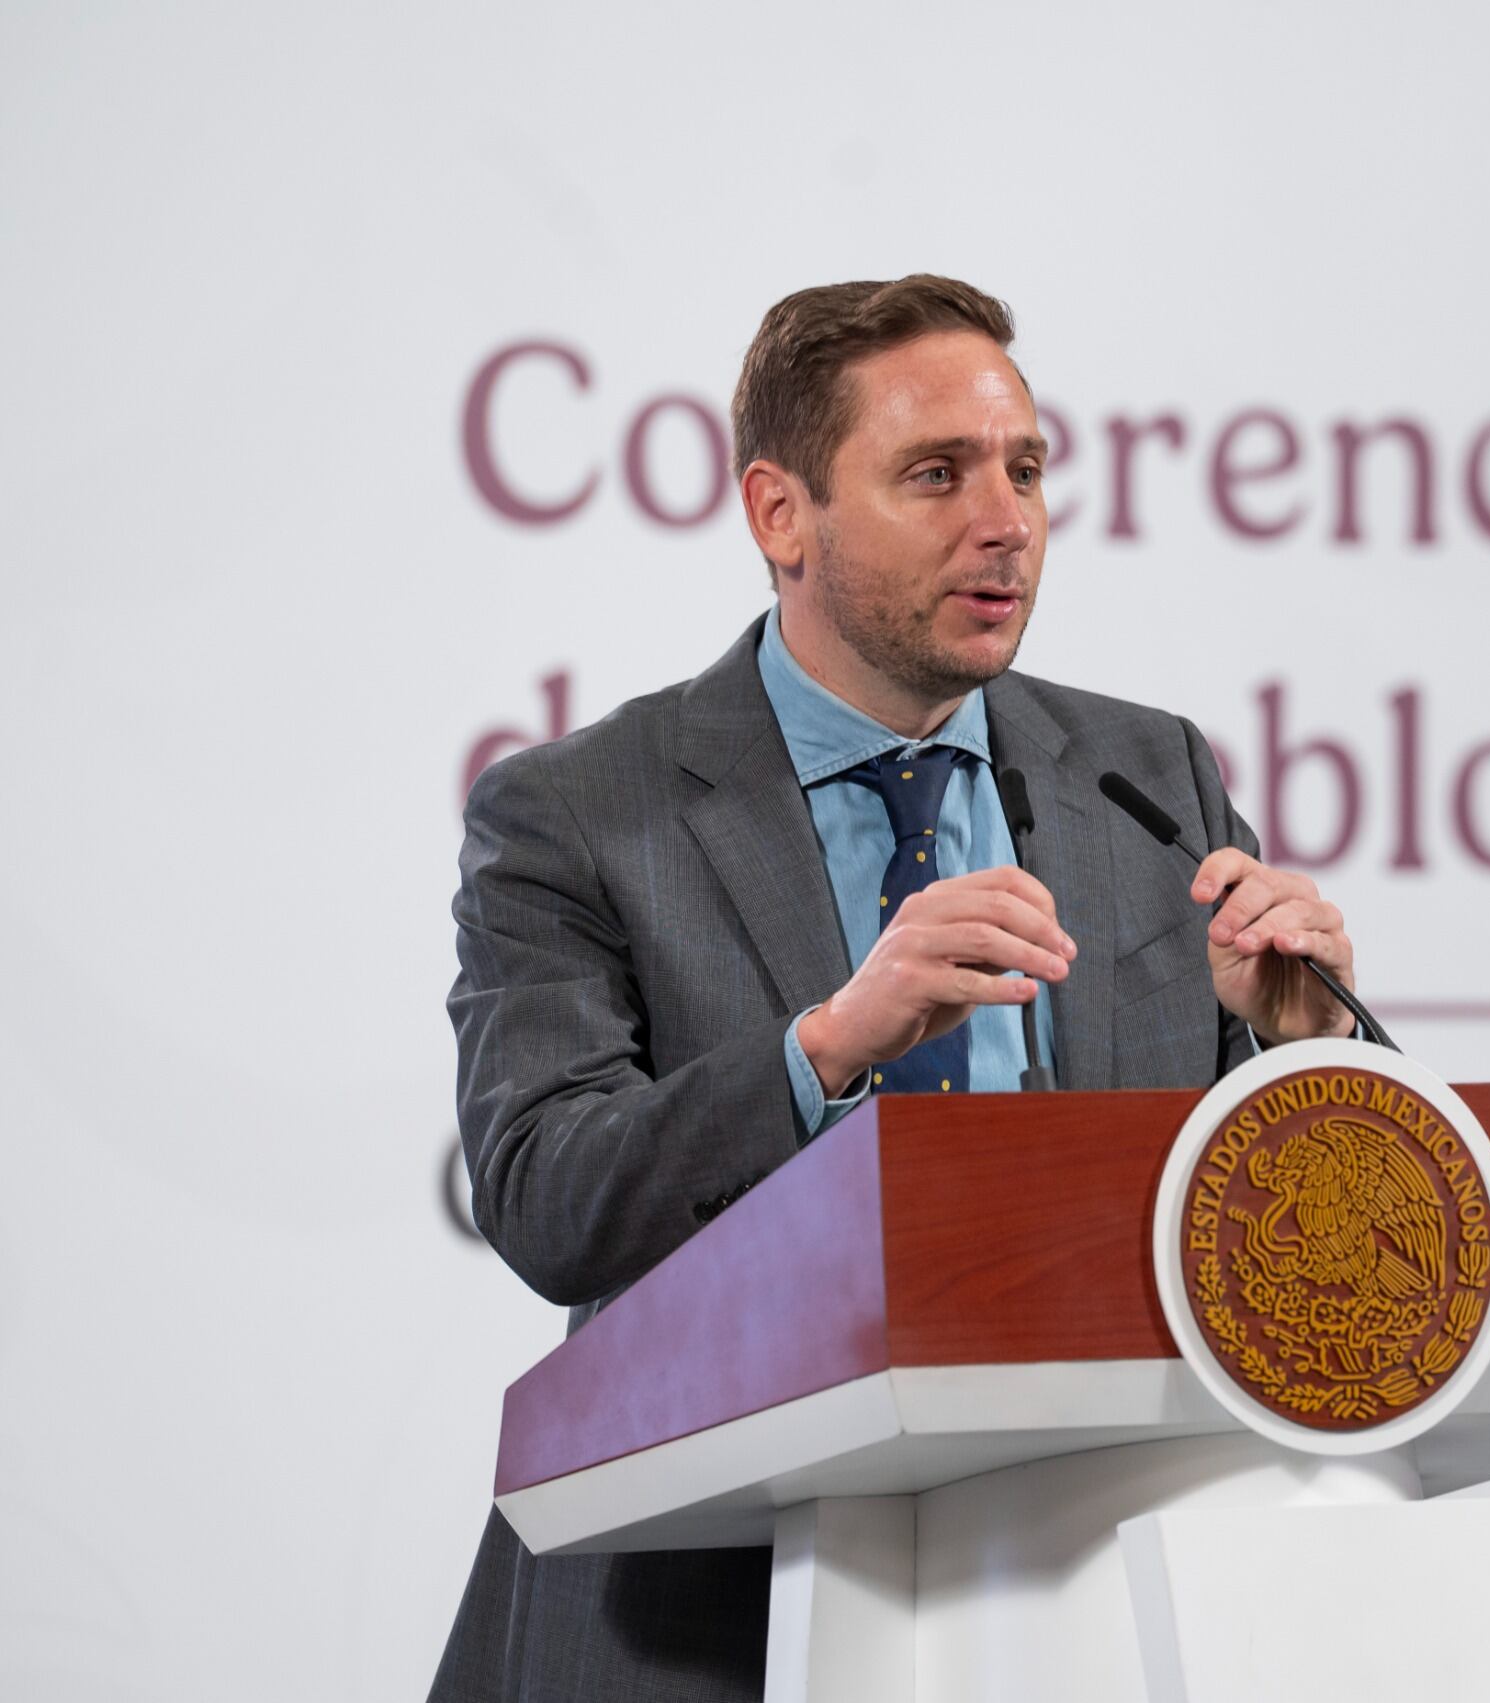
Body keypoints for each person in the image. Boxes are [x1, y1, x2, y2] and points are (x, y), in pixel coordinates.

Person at [430, 275, 1358, 1701]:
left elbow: (1244, 1234)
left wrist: (1302, 1053)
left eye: (1027, 469)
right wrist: (828, 1049)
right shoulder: (581, 813)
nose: (1006, 521)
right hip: (699, 1628)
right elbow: (549, 1191)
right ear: (779, 515)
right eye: (937, 474)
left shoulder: (1146, 778)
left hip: (1080, 1610)